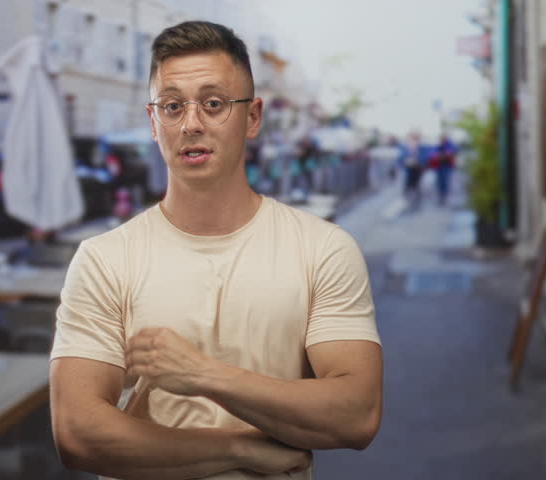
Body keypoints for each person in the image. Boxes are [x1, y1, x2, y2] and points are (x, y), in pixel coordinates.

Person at [49, 21, 383, 480]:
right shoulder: (104, 260)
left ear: (253, 117)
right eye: (172, 106)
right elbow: (77, 433)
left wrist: (203, 375)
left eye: (213, 104)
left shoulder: (322, 248)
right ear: (153, 122)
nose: (191, 124)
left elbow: (357, 414)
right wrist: (238, 450)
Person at [431, 133, 458, 205]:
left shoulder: (449, 145)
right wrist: (438, 156)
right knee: (439, 182)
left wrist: (442, 155)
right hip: (439, 166)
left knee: (446, 181)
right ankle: (441, 196)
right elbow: (433, 153)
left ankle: (444, 196)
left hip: (447, 166)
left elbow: (451, 151)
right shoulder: (438, 145)